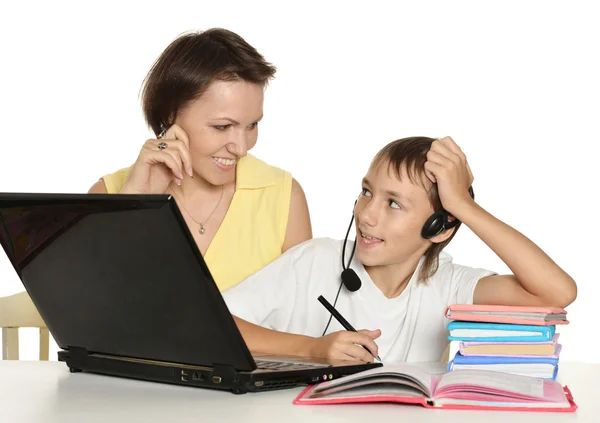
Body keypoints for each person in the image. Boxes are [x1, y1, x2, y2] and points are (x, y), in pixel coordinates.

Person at [222, 136, 577, 363]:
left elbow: (557, 292)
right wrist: (312, 349)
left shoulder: (448, 284)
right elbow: (217, 327)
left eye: (393, 204)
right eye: (367, 192)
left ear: (438, 228)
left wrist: (464, 208)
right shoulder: (313, 260)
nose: (367, 214)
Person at [88, 28, 312, 291]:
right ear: (171, 113)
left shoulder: (283, 197)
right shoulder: (108, 195)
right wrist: (136, 202)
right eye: (222, 127)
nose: (241, 148)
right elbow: (88, 309)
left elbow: (304, 321)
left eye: (252, 125)